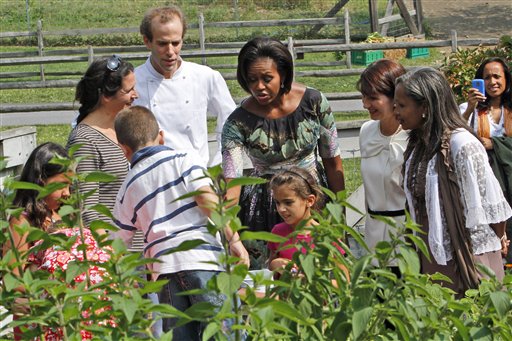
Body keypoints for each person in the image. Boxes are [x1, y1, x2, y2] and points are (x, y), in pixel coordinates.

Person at [112, 106, 249, 339]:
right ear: (161, 137)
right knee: (226, 332)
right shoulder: (183, 159)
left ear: (123, 149)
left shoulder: (127, 187)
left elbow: (116, 244)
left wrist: (122, 282)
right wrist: (233, 239)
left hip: (164, 271)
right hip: (203, 260)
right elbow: (206, 199)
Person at [222, 37, 345, 268]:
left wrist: (340, 217)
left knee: (322, 275)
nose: (259, 86)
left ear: (284, 75)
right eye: (251, 80)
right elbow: (232, 183)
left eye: (267, 78)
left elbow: (333, 162)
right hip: (266, 208)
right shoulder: (237, 123)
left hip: (312, 202)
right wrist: (232, 236)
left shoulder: (314, 103)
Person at [394, 67, 512, 296]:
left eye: (402, 105)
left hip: (467, 257)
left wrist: (499, 239)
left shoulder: (462, 145)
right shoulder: (419, 146)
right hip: (432, 255)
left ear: (425, 107)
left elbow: (491, 205)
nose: (395, 110)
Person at [3, 142, 112, 340]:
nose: (67, 193)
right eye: (61, 185)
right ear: (41, 180)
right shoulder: (22, 221)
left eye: (70, 186)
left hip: (75, 324)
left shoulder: (62, 214)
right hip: (44, 326)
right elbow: (14, 284)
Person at [134, 5, 235, 167]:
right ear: (147, 41)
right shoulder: (132, 82)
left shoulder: (205, 77)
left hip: (196, 176)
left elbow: (232, 124)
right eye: (162, 44)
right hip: (151, 178)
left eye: (176, 43)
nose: (170, 51)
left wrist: (219, 165)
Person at [67, 55, 137, 229]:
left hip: (140, 249)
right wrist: (109, 253)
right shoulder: (84, 140)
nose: (136, 95)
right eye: (128, 91)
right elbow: (87, 211)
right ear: (106, 95)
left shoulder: (123, 129)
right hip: (115, 250)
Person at [460, 57, 512, 262]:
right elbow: (452, 133)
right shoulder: (470, 109)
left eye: (497, 76)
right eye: (487, 77)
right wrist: (469, 108)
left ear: (506, 79)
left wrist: (494, 144)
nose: (492, 82)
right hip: (484, 183)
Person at [357, 59, 408, 269]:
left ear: (395, 97)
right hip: (373, 238)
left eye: (373, 98)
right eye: (363, 97)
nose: (365, 104)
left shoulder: (415, 136)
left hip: (406, 238)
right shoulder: (366, 131)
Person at [267, 168, 349, 280]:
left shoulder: (326, 236)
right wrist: (276, 263)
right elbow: (271, 265)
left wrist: (312, 282)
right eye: (277, 202)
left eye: (288, 202)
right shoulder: (277, 232)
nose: (281, 209)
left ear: (309, 201)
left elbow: (344, 282)